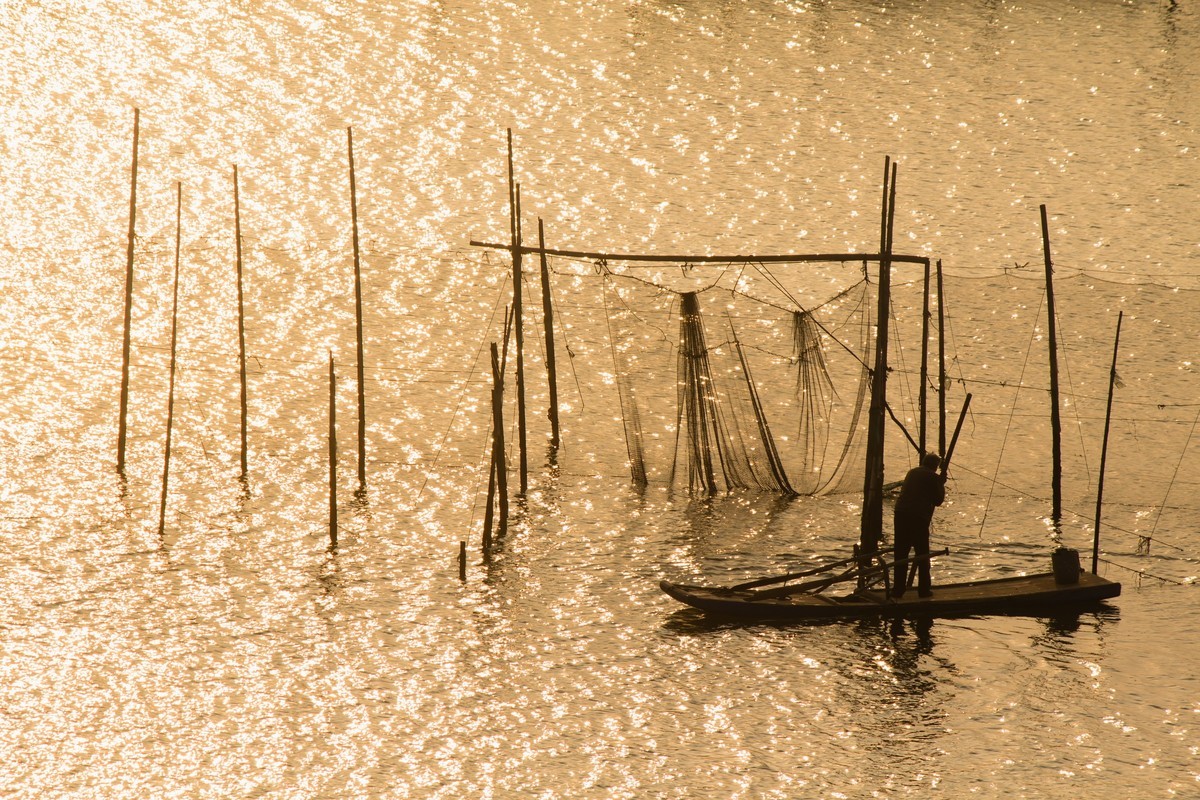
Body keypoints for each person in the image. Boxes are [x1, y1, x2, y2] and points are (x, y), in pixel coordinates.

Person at [891, 452, 946, 598]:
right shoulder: (933, 477)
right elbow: (938, 500)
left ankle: (898, 589)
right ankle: (923, 590)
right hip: (918, 517)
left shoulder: (912, 472)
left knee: (901, 552)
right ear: (935, 466)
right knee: (922, 553)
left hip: (901, 514)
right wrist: (941, 484)